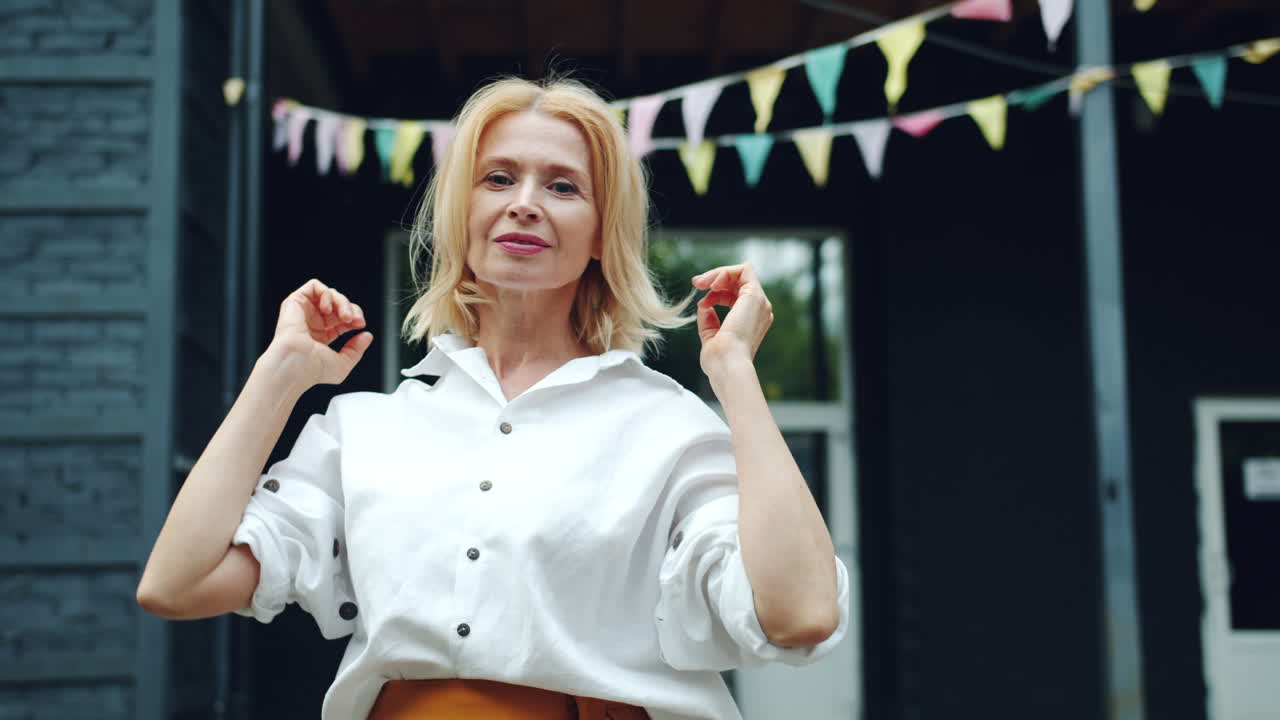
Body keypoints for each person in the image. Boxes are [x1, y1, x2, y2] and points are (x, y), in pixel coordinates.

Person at [137, 76, 849, 720]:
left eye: (563, 187)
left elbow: (803, 616)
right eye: (498, 178)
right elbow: (177, 583)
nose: (525, 205)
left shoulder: (668, 428)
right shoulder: (366, 429)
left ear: (602, 232)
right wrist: (281, 372)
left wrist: (735, 376)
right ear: (461, 213)